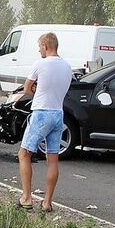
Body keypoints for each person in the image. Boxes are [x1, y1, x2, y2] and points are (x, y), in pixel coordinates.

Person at [16, 32, 71, 212]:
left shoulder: (40, 64)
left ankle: (26, 197)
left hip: (41, 113)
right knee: (52, 158)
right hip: (58, 113)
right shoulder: (66, 66)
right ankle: (47, 202)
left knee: (24, 154)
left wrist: (36, 90)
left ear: (46, 46)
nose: (39, 50)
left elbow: (27, 88)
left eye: (40, 46)